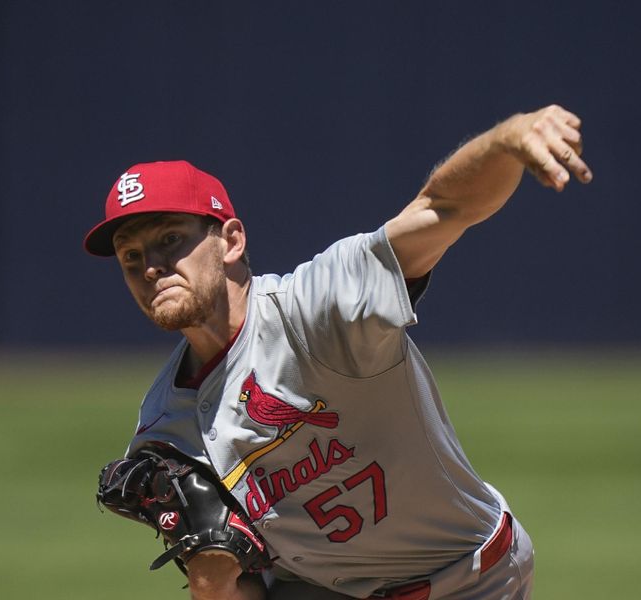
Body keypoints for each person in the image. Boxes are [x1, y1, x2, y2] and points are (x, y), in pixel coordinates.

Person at [84, 104, 592, 600]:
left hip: (468, 577)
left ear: (231, 241)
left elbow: (443, 208)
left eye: (171, 239)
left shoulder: (316, 309)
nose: (152, 266)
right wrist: (209, 569)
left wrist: (506, 140)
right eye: (132, 257)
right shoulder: (164, 429)